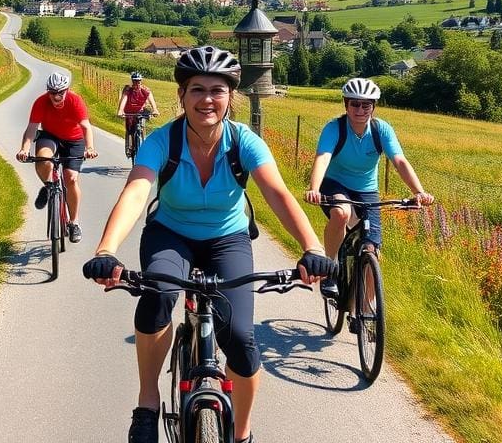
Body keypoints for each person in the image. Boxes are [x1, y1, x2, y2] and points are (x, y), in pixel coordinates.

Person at [82, 46, 335, 443]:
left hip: (227, 239)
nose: (207, 99)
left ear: (230, 97)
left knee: (239, 337)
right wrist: (106, 250)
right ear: (181, 96)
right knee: (158, 298)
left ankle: (243, 434)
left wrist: (313, 247)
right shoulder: (163, 141)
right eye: (196, 89)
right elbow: (136, 191)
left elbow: (279, 195)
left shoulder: (243, 141)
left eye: (217, 90)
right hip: (171, 234)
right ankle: (147, 403)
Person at [304, 77, 434, 299]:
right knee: (341, 212)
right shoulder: (335, 128)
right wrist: (314, 188)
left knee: (372, 253)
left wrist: (418, 192)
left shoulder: (381, 130)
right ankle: (330, 268)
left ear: (374, 106)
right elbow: (323, 157)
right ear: (346, 105)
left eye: (366, 104)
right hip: (335, 183)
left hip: (366, 190)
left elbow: (399, 161)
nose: (360, 109)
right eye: (355, 104)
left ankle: (364, 317)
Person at [17, 71, 98, 243]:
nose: (56, 96)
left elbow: (86, 127)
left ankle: (74, 223)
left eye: (60, 92)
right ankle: (48, 187)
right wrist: (24, 149)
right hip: (50, 135)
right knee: (42, 159)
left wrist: (90, 147)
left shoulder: (75, 101)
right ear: (48, 91)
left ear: (67, 90)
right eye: (52, 92)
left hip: (74, 140)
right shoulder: (40, 102)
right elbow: (31, 129)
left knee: (71, 179)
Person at [117, 72, 160, 157]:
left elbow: (151, 100)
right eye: (135, 81)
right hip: (129, 112)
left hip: (140, 112)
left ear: (141, 81)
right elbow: (124, 99)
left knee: (142, 125)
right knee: (130, 128)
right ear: (132, 81)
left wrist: (155, 110)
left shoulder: (145, 89)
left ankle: (142, 142)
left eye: (138, 81)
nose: (137, 83)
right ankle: (129, 146)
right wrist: (120, 110)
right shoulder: (128, 90)